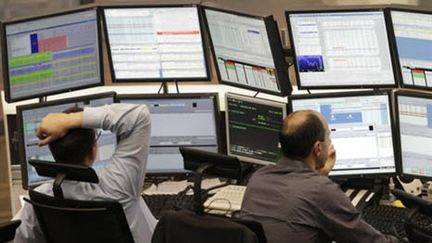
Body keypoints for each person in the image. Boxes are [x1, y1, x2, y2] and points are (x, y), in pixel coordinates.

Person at [240, 110, 400, 243]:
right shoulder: (321, 191)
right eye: (328, 137)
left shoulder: (258, 178)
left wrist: (321, 175)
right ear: (317, 148)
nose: (330, 142)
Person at [15, 103, 157, 243]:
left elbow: (17, 237)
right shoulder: (119, 186)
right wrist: (70, 121)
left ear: (52, 150)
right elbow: (140, 116)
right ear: (93, 150)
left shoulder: (39, 201)